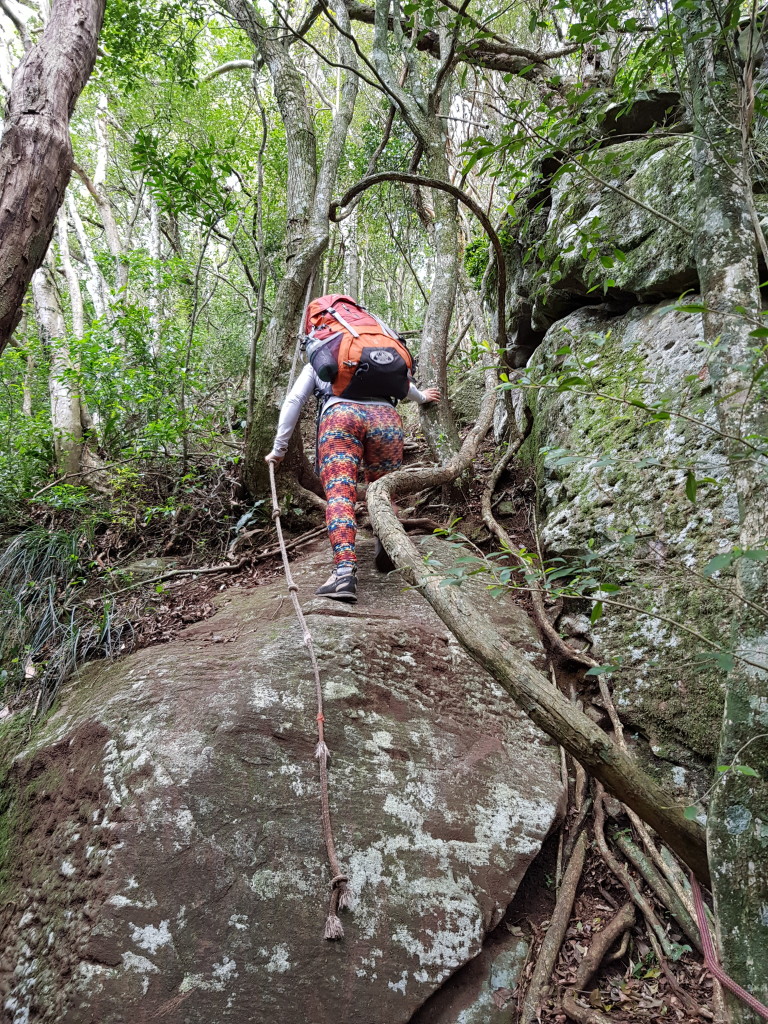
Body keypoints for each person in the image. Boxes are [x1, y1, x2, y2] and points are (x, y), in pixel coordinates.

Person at [265, 358, 440, 603]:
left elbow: (295, 400)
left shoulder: (323, 355)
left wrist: (279, 449)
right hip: (386, 419)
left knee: (339, 493)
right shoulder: (375, 353)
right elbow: (402, 385)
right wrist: (422, 397)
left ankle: (344, 574)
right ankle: (387, 544)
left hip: (341, 417)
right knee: (383, 488)